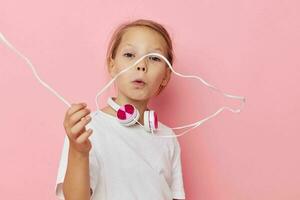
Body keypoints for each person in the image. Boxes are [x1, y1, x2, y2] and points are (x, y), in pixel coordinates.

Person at [55, 19, 186, 200]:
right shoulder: (88, 130)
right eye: (130, 55)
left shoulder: (167, 136)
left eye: (154, 58)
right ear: (112, 65)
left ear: (166, 75)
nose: (141, 65)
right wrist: (79, 152)